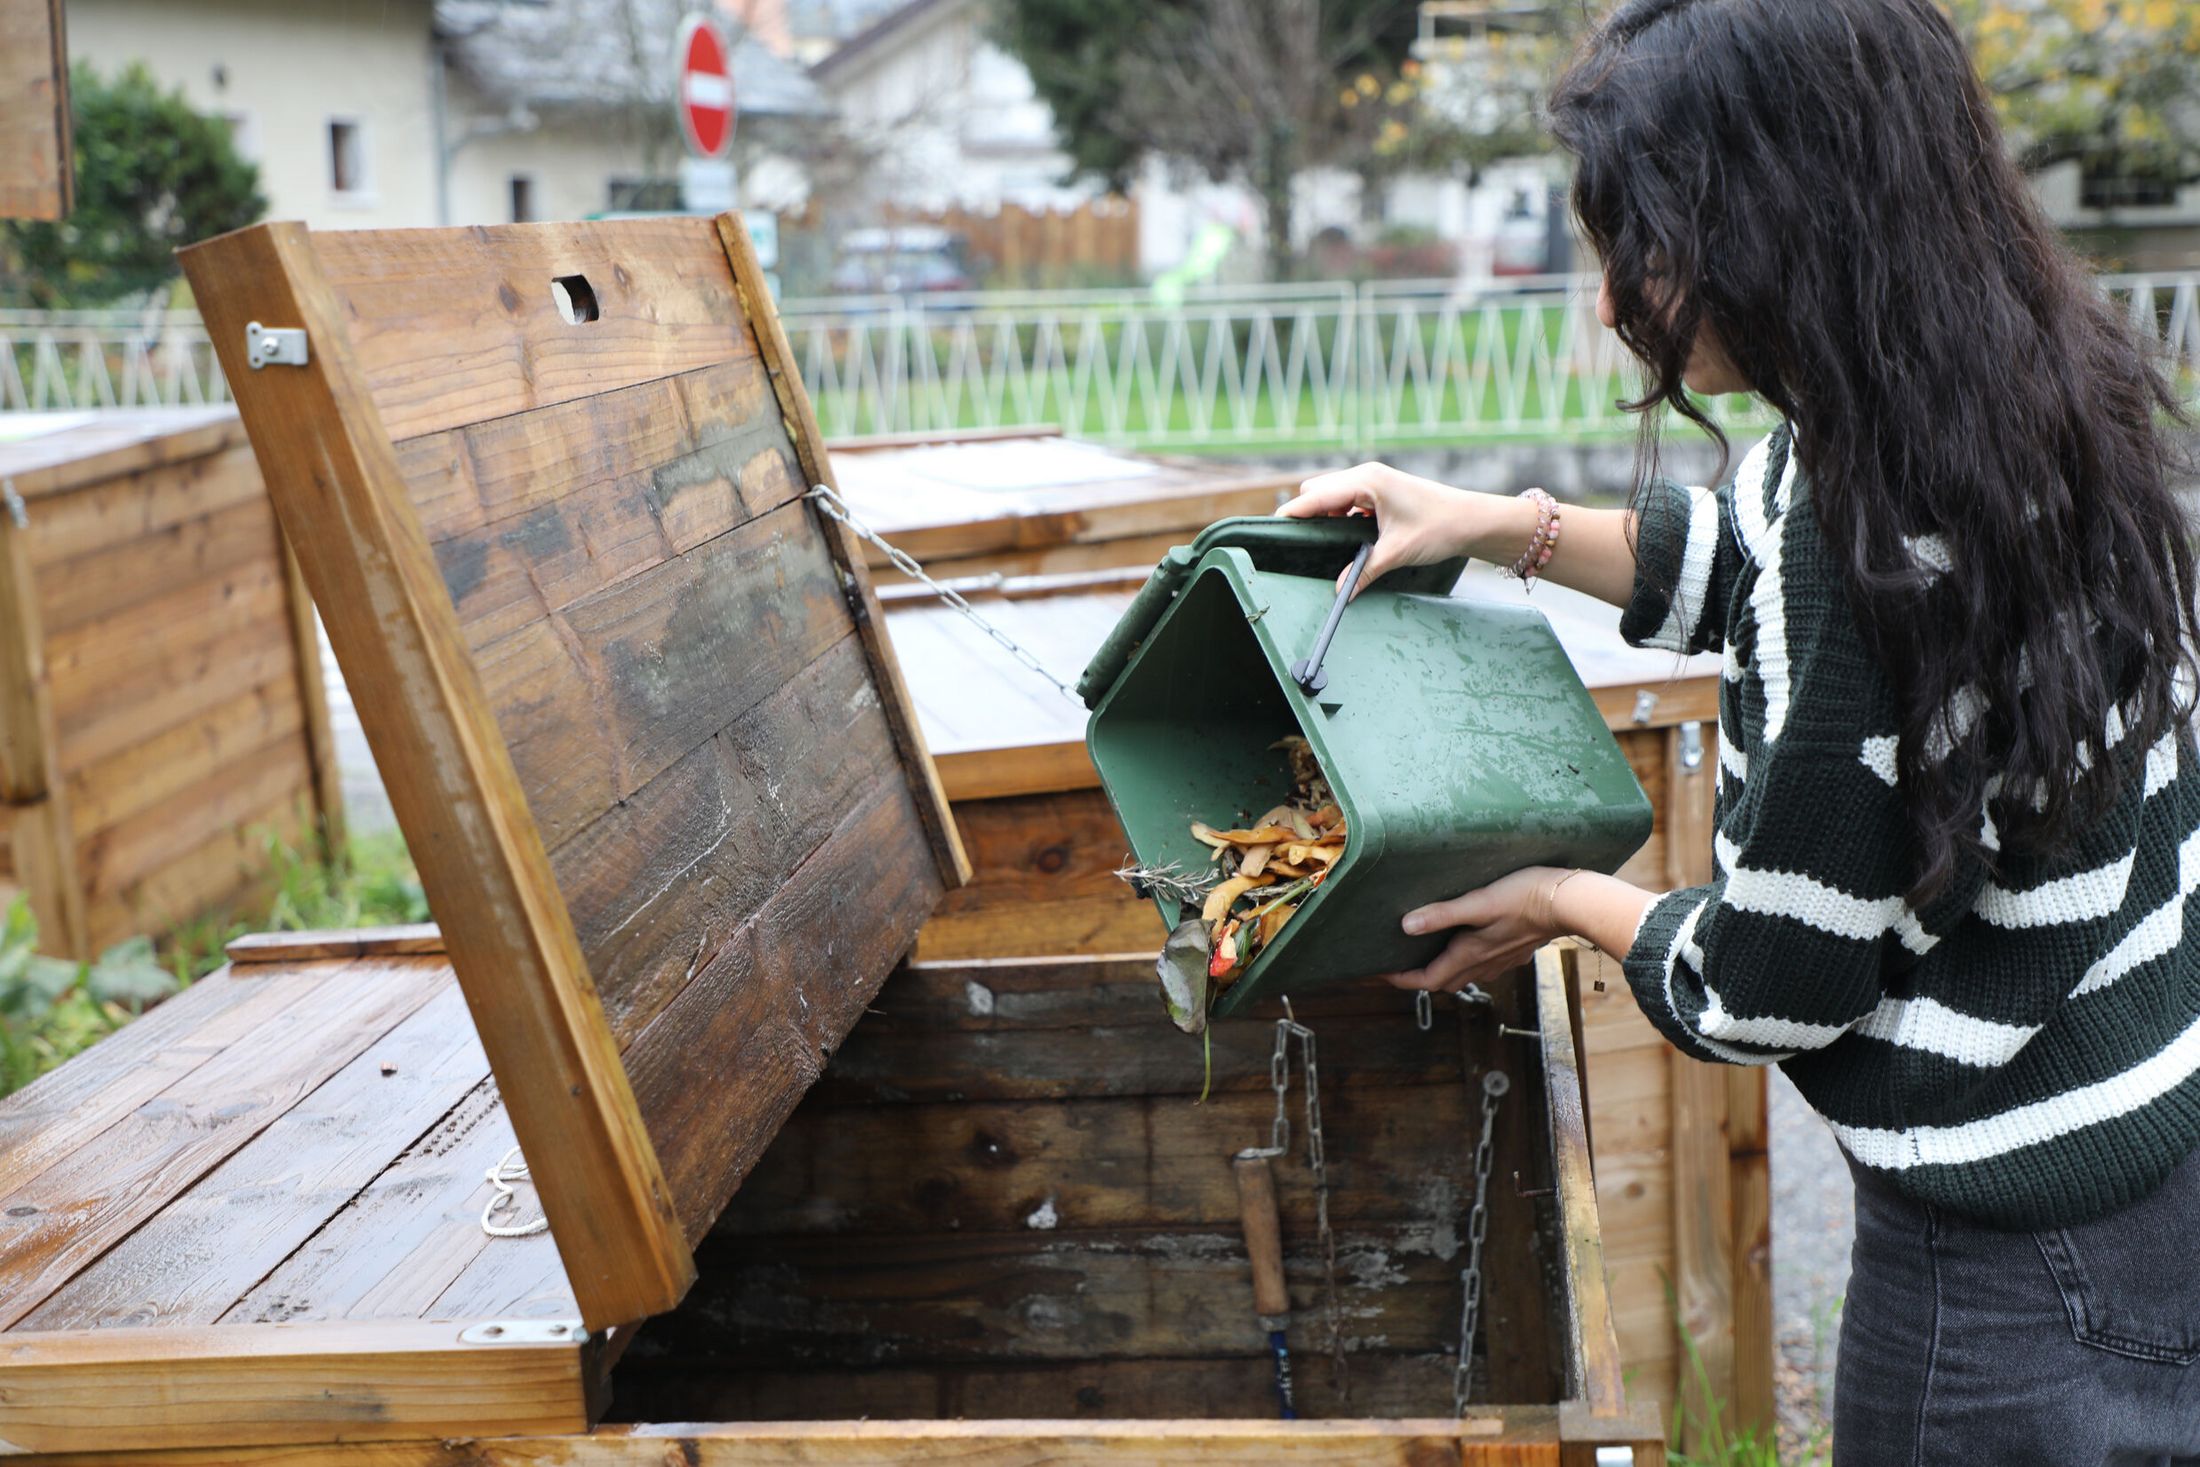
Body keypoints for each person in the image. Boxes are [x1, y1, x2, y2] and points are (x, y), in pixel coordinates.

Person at [1280, 1, 2200, 1461]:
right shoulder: (2005, 384)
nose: (1607, 304)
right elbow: (1759, 568)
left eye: (1637, 244)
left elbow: (1771, 983)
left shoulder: (1869, 524)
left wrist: (1556, 899)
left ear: (1782, 221)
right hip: (2149, 1154)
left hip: (2007, 1266)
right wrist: (1496, 525)